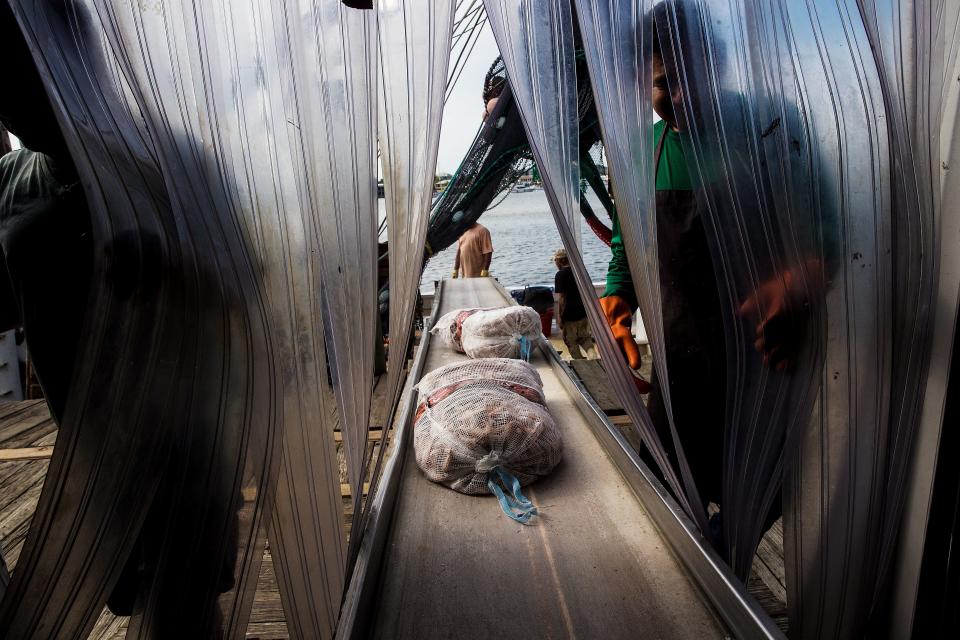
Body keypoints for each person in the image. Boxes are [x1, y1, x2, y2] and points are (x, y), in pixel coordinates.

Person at [553, 248, 594, 359]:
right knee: (585, 338)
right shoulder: (580, 271)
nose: (555, 263)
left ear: (561, 261)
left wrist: (560, 317)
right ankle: (593, 356)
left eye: (555, 261)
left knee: (570, 341)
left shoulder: (560, 275)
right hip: (583, 312)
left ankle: (582, 363)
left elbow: (562, 298)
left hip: (569, 314)